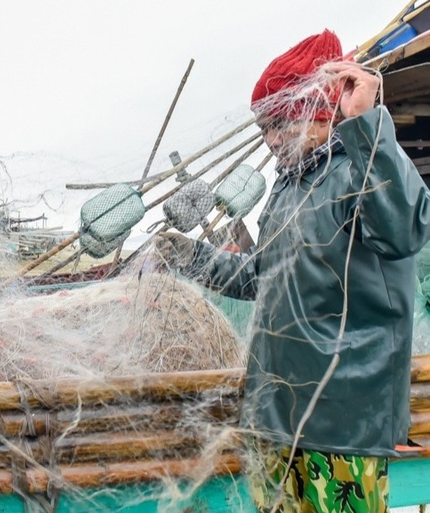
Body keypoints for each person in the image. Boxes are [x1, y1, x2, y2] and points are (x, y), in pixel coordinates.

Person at [155, 30, 430, 512]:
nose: (272, 139)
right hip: (274, 420)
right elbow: (259, 278)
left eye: (279, 124)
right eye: (265, 129)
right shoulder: (287, 190)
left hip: (341, 427)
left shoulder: (358, 172)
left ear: (318, 109)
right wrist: (190, 255)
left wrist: (366, 124)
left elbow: (407, 228)